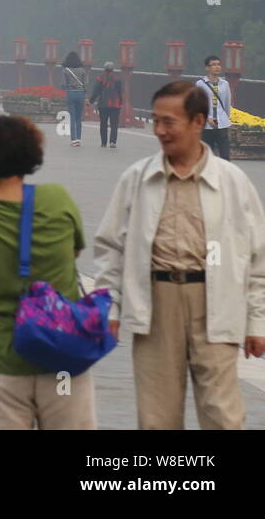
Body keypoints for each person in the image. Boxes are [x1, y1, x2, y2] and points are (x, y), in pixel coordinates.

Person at [94, 80, 265, 429]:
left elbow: (257, 257)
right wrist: (109, 306)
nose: (160, 130)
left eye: (169, 122)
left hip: (216, 304)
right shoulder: (137, 179)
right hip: (156, 305)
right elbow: (111, 248)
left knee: (223, 416)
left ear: (198, 122)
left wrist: (256, 322)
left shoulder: (233, 182)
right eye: (156, 121)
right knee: (157, 418)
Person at [0, 115, 94, 429]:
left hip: (0, 358)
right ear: (31, 154)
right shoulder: (57, 199)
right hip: (62, 355)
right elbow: (74, 252)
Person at [195, 55, 233, 160]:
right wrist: (207, 118)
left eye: (219, 64)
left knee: (225, 155)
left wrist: (227, 120)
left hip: (222, 124)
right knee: (207, 156)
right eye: (213, 65)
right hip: (207, 125)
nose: (217, 67)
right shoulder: (200, 84)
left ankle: (225, 175)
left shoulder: (225, 84)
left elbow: (226, 104)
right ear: (207, 68)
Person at [88, 61, 123, 148]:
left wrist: (91, 101)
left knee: (103, 123)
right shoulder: (117, 78)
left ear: (104, 69)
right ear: (113, 69)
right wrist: (121, 103)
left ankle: (104, 143)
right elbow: (121, 92)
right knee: (114, 124)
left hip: (103, 104)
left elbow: (96, 91)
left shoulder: (100, 78)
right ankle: (113, 142)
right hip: (115, 105)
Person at [61, 51, 88, 147]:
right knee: (78, 118)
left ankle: (74, 140)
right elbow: (85, 85)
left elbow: (64, 84)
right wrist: (86, 96)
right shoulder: (82, 70)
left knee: (72, 117)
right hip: (80, 94)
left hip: (71, 93)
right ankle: (79, 139)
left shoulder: (65, 70)